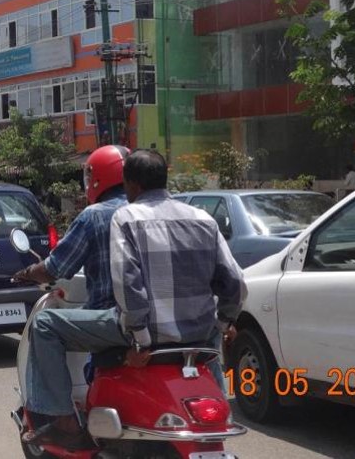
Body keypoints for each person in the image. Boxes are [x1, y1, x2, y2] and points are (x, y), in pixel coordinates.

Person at [21, 149, 246, 447]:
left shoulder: (127, 218)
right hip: (198, 335)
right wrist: (222, 322)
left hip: (141, 331)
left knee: (45, 324)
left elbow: (127, 283)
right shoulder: (202, 218)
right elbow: (235, 282)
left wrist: (140, 339)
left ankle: (63, 419)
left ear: (133, 185)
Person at [13, 145, 130, 447]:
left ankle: (60, 418)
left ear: (94, 178)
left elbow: (55, 268)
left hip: (120, 321)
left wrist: (27, 273)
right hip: (185, 323)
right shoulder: (165, 213)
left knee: (45, 326)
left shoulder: (95, 217)